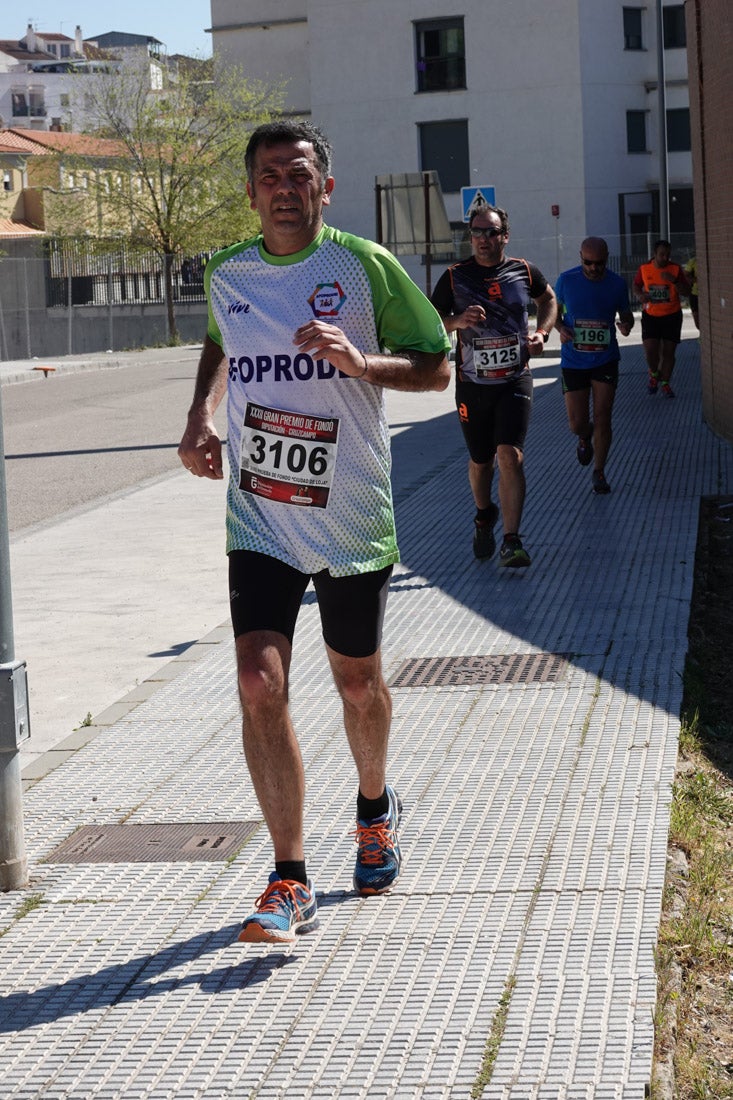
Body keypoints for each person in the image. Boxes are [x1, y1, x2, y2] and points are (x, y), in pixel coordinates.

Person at [177, 121, 451, 945]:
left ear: (323, 189)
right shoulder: (228, 270)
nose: (283, 188)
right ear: (251, 190)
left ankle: (374, 807)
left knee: (357, 684)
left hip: (350, 516)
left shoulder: (362, 267)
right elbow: (223, 338)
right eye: (268, 175)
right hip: (258, 511)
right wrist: (200, 413)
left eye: (298, 175)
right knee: (259, 685)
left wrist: (362, 365)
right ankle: (288, 875)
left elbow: (436, 364)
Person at [431, 205, 557, 567]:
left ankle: (512, 540)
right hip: (473, 385)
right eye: (476, 232)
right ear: (468, 236)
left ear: (505, 235)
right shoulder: (455, 277)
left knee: (510, 455)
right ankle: (484, 514)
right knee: (481, 462)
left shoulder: (523, 271)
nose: (483, 239)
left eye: (491, 232)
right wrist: (458, 320)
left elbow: (548, 298)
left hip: (515, 379)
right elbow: (431, 322)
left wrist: (541, 332)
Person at [554, 238, 634, 495]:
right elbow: (551, 311)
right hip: (574, 361)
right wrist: (559, 327)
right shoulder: (566, 280)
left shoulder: (617, 284)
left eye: (599, 264)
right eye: (587, 263)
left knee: (603, 417)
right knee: (577, 423)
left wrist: (626, 325)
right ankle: (584, 435)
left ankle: (599, 471)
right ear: (580, 257)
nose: (593, 268)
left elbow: (627, 314)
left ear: (606, 259)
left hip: (605, 359)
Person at [633, 240, 691, 398]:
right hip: (651, 315)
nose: (665, 258)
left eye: (668, 254)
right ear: (654, 254)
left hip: (672, 315)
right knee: (650, 350)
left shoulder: (676, 269)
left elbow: (687, 291)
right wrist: (640, 295)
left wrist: (674, 280)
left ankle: (665, 383)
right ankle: (654, 373)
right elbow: (636, 285)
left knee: (668, 352)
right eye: (662, 254)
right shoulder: (644, 268)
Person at [684, 255, 699, 329]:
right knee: (697, 319)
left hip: (704, 295)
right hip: (694, 293)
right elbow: (685, 275)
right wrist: (695, 280)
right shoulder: (693, 261)